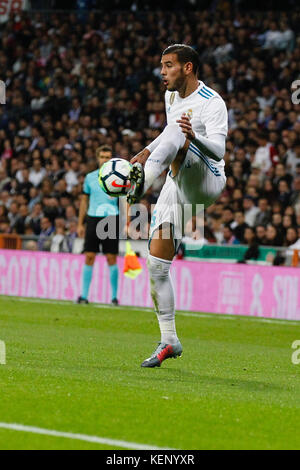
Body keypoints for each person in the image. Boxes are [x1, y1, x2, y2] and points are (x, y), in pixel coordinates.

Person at [127, 44, 227, 367]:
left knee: (179, 133)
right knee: (156, 265)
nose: (162, 71)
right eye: (161, 65)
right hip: (176, 181)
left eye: (168, 65)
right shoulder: (171, 98)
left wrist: (192, 137)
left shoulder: (213, 103)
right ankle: (169, 340)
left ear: (188, 68)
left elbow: (220, 150)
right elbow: (169, 134)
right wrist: (146, 150)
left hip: (206, 179)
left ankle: (143, 182)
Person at [77, 145, 119, 305]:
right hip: (93, 218)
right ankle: (84, 296)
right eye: (102, 157)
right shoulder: (90, 177)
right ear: (97, 158)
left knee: (111, 258)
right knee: (89, 256)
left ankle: (114, 297)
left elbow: (124, 199)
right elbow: (84, 200)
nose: (104, 160)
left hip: (111, 218)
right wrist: (80, 223)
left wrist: (127, 221)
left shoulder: (119, 177)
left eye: (107, 157)